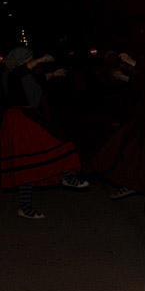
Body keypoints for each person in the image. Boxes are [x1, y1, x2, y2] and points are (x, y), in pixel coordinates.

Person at [0, 47, 89, 218]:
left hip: (28, 117)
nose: (31, 62)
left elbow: (38, 79)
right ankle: (66, 176)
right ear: (22, 60)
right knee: (34, 157)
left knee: (31, 161)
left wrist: (54, 74)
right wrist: (40, 60)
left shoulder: (24, 75)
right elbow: (21, 73)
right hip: (20, 119)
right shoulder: (11, 75)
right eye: (29, 59)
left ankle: (64, 177)